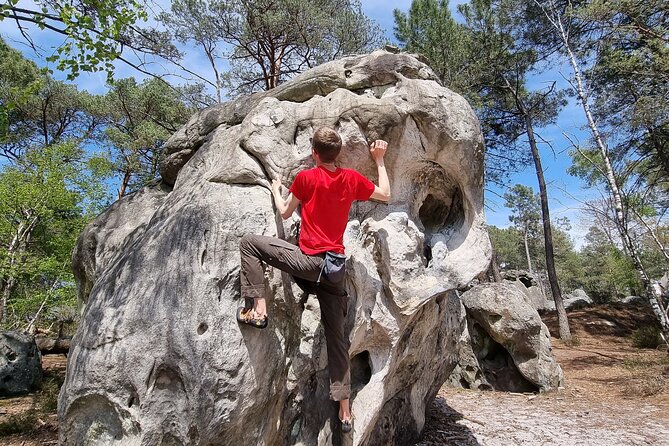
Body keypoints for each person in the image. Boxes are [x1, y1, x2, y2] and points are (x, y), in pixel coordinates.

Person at [237, 126, 391, 433]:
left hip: (308, 263)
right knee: (337, 340)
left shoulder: (306, 178)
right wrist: (380, 159)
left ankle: (258, 310)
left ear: (314, 153)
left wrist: (277, 188)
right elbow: (386, 194)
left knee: (249, 243)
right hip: (335, 270)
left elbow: (284, 213)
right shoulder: (349, 179)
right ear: (338, 154)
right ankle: (345, 412)